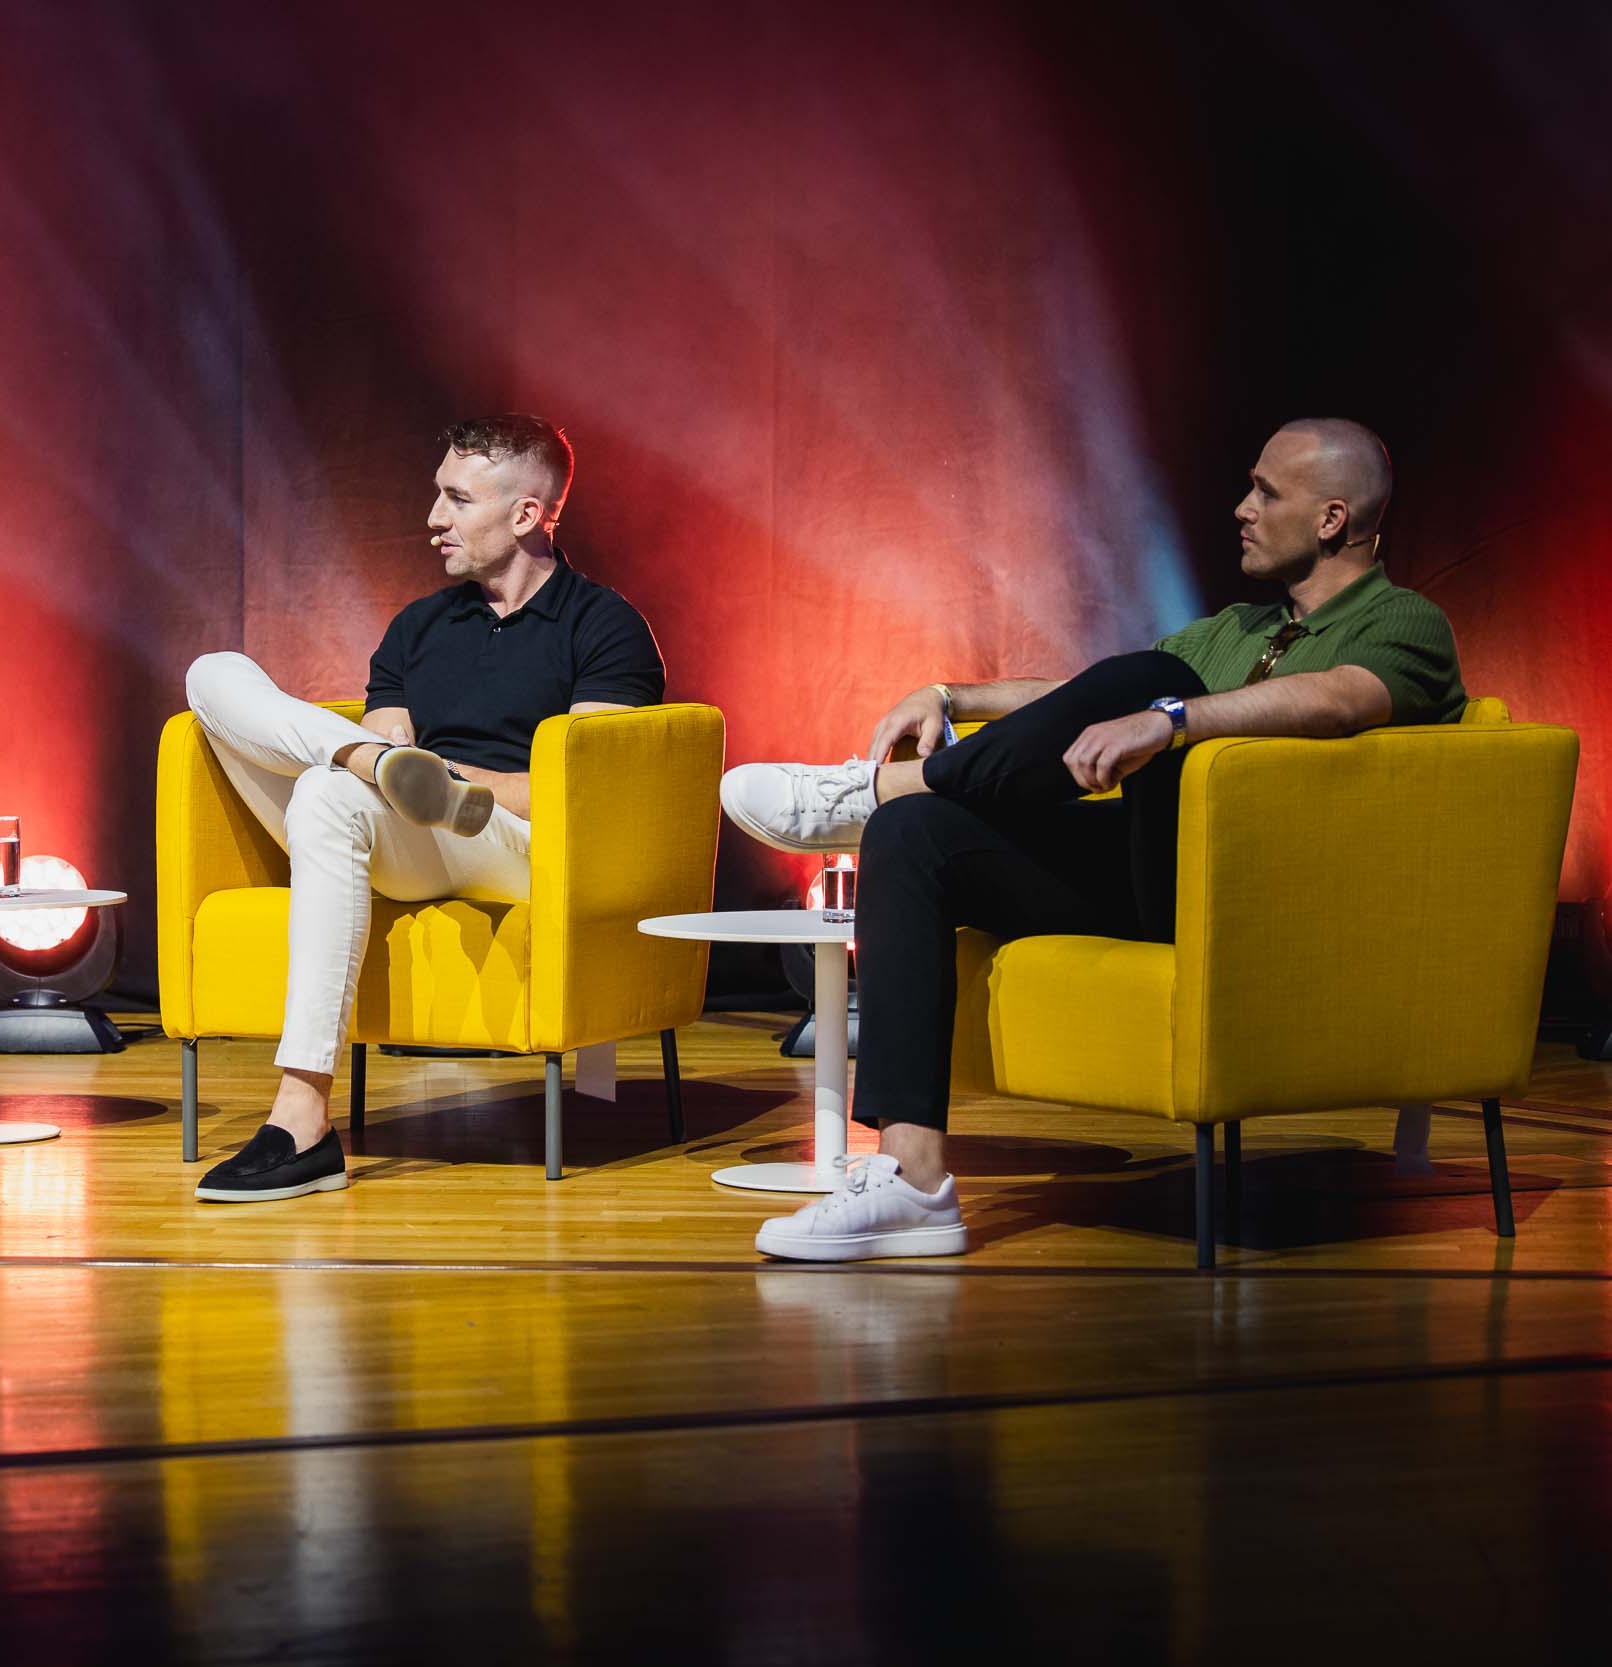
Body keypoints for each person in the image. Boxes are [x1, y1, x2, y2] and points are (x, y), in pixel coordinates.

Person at [722, 418, 1464, 1259]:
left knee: (1156, 682)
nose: (1241, 508)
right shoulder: (1239, 628)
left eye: (1265, 491)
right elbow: (1089, 696)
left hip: (1265, 904)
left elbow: (1338, 700)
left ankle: (873, 787)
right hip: (1157, 876)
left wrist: (1169, 718)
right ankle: (912, 1180)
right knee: (914, 834)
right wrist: (953, 695)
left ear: (1332, 519)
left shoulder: (1405, 622)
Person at [182, 415, 666, 1201]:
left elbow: (587, 797)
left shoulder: (604, 626)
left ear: (527, 514)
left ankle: (300, 1119)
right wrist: (384, 762)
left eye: (457, 498)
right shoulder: (419, 626)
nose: (434, 517)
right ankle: (366, 759)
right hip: (412, 837)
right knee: (215, 675)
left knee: (333, 789)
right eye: (437, 494)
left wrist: (451, 779)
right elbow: (377, 761)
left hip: (522, 847)